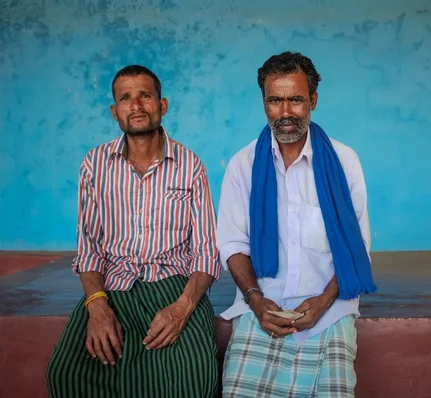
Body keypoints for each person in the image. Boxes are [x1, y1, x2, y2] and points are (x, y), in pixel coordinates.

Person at [46, 65, 220, 398]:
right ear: (115, 112)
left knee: (194, 380)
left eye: (145, 95)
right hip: (113, 288)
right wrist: (97, 307)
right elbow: (90, 250)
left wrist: (182, 309)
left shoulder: (190, 165)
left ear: (162, 105)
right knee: (66, 375)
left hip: (174, 288)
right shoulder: (95, 164)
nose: (136, 105)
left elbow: (206, 253)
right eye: (125, 98)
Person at [217, 51, 377, 397]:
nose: (285, 112)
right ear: (264, 102)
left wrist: (322, 302)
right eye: (275, 101)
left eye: (295, 100)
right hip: (262, 306)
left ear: (313, 101)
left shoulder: (344, 161)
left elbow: (357, 248)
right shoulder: (243, 165)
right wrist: (256, 300)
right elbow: (232, 244)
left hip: (330, 309)